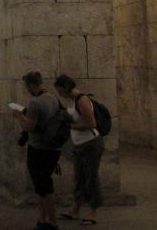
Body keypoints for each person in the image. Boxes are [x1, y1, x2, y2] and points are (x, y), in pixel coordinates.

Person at [13, 71, 64, 230]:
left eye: (27, 86)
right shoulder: (54, 98)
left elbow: (29, 126)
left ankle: (53, 222)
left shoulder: (35, 102)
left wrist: (19, 115)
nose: (26, 89)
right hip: (53, 149)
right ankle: (42, 220)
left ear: (31, 85)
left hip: (39, 149)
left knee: (44, 187)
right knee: (41, 186)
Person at [54, 74, 104, 226]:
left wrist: (71, 126)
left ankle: (93, 212)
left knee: (91, 178)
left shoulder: (82, 100)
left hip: (90, 144)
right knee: (79, 177)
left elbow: (92, 123)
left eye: (59, 91)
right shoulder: (73, 101)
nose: (59, 94)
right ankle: (75, 208)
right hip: (79, 145)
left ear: (64, 88)